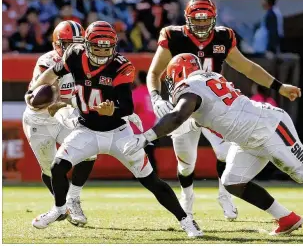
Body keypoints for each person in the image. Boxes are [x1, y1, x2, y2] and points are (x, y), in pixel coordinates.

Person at [125, 53, 303, 236]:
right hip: (247, 136)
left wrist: (146, 137)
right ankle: (286, 217)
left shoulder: (189, 88)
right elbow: (195, 119)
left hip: (268, 127)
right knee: (233, 181)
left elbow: (179, 116)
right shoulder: (208, 78)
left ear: (177, 74)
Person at [26, 21, 202, 238]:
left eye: (106, 47)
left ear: (114, 46)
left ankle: (186, 220)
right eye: (97, 47)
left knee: (151, 181)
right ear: (87, 45)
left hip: (118, 132)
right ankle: (60, 209)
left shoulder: (121, 65)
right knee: (57, 167)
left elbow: (127, 105)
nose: (102, 52)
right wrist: (33, 91)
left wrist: (113, 110)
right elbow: (52, 74)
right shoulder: (74, 54)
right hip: (86, 130)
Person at [147, 0, 297, 220]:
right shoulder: (173, 36)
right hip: (183, 107)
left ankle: (224, 195)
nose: (200, 25)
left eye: (205, 20)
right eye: (196, 20)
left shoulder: (223, 37)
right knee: (186, 164)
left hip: (213, 107)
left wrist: (279, 86)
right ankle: (187, 198)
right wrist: (155, 99)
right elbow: (154, 72)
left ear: (214, 19)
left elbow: (247, 67)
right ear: (187, 19)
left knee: (225, 153)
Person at [23, 21, 95, 227]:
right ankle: (62, 207)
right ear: (57, 44)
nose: (74, 48)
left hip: (66, 112)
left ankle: (73, 199)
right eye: (68, 44)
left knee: (90, 151)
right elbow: (48, 98)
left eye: (78, 43)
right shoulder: (47, 61)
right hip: (41, 117)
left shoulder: (88, 60)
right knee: (50, 168)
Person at [132, 71, 158, 171]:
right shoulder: (152, 92)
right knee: (150, 152)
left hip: (140, 128)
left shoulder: (137, 92)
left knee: (139, 154)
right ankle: (153, 173)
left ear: (138, 79)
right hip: (154, 127)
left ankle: (142, 174)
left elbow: (131, 110)